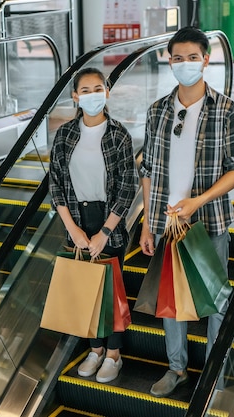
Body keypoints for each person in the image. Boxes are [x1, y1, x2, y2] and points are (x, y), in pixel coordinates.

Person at [139, 26, 234, 398]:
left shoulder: (227, 110)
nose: (184, 64)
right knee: (172, 299)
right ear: (168, 61)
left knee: (216, 298)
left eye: (192, 57)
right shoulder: (157, 111)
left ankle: (215, 372)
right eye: (177, 57)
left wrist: (197, 202)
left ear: (206, 59)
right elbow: (148, 170)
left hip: (208, 221)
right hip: (165, 222)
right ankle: (176, 368)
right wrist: (146, 224)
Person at [49, 67, 138, 383]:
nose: (92, 95)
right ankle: (95, 349)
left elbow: (129, 186)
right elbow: (56, 184)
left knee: (111, 292)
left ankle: (114, 354)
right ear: (75, 96)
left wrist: (105, 232)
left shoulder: (118, 135)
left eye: (97, 88)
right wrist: (73, 229)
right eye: (85, 90)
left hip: (108, 222)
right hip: (76, 221)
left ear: (107, 93)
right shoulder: (65, 134)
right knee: (85, 290)